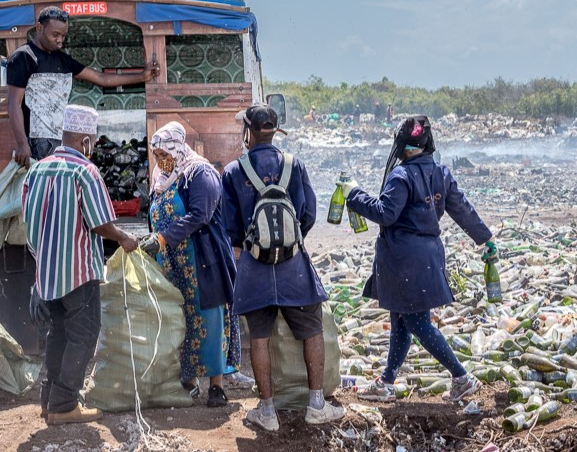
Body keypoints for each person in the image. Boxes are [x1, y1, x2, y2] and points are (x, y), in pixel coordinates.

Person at [344, 115, 497, 404]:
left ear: (403, 145)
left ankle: (461, 377)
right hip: (429, 256)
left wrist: (355, 196)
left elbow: (385, 213)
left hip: (404, 260)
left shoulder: (401, 176)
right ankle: (387, 381)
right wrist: (485, 238)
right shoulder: (440, 173)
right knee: (401, 319)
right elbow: (461, 208)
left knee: (416, 322)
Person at [221, 104, 345, 431]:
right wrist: (288, 242)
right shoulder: (295, 165)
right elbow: (309, 214)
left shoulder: (234, 171)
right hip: (295, 268)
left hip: (254, 268)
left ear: (248, 131)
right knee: (311, 330)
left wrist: (254, 245)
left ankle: (267, 411)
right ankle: (317, 404)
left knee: (258, 337)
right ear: (275, 131)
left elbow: (229, 226)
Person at [22, 104, 140, 425]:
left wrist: (44, 258)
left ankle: (49, 400)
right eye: (93, 140)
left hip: (48, 273)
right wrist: (124, 238)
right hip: (78, 272)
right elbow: (100, 222)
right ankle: (64, 405)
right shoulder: (84, 172)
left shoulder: (37, 170)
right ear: (86, 139)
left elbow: (28, 224)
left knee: (58, 332)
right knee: (85, 334)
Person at [138, 121, 239, 408]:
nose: (161, 161)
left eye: (164, 154)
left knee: (208, 318)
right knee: (179, 319)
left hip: (201, 260)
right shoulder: (161, 176)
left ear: (178, 148)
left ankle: (216, 386)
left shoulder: (199, 173)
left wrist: (162, 238)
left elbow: (200, 215)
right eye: (156, 155)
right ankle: (189, 381)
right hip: (171, 263)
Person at [8, 6, 159, 167]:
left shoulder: (63, 60)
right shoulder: (23, 57)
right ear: (39, 28)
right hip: (38, 141)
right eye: (55, 35)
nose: (60, 40)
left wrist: (142, 76)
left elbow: (101, 78)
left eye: (63, 36)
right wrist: (22, 143)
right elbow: (14, 103)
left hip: (62, 139)